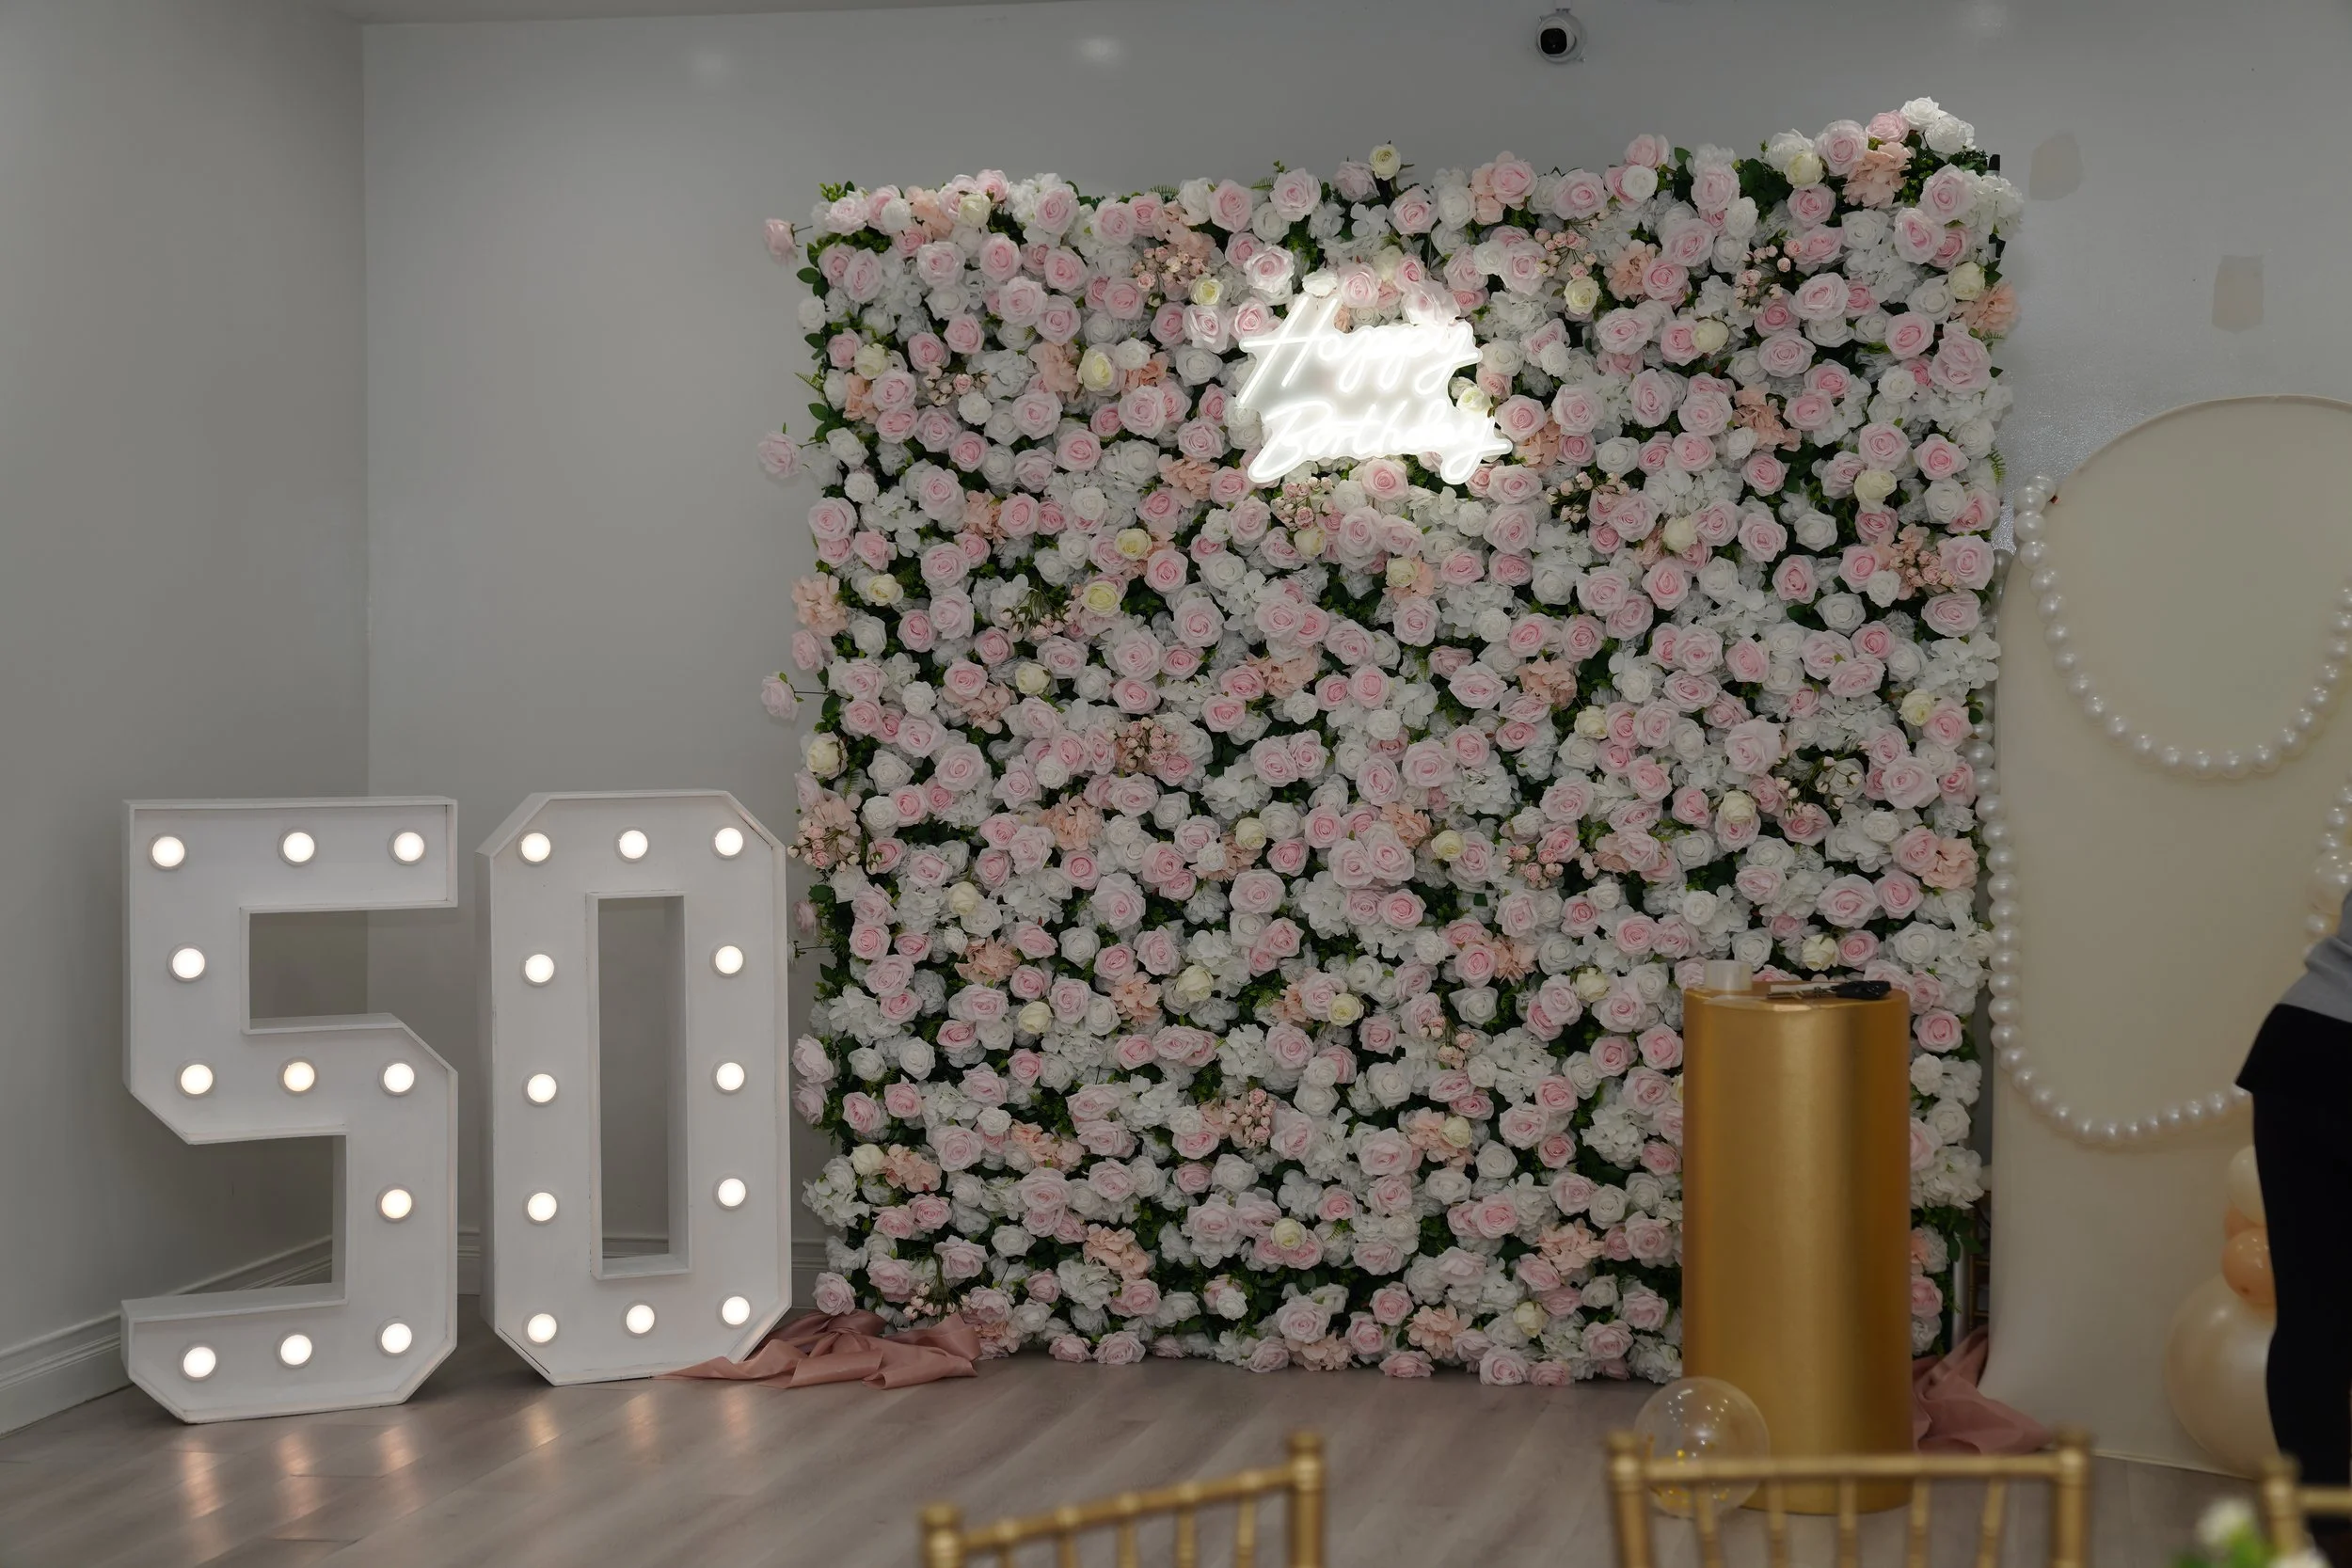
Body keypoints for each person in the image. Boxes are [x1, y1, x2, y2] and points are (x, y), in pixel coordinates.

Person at [2240, 893, 2352, 1551]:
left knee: (2312, 1317)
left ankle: (2327, 1534)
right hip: (2315, 1056)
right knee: (2316, 1320)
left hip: (2304, 1041)